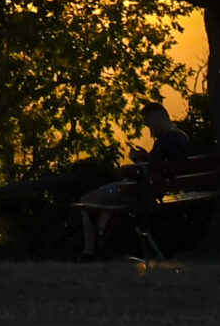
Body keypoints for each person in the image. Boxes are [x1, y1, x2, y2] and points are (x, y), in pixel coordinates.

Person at [79, 101, 190, 258]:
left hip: (142, 194)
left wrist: (137, 160)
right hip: (158, 192)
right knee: (106, 209)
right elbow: (158, 166)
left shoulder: (164, 142)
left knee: (87, 201)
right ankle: (100, 249)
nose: (150, 132)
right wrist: (145, 157)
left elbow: (147, 173)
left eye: (149, 125)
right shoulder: (182, 138)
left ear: (158, 120)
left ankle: (89, 252)